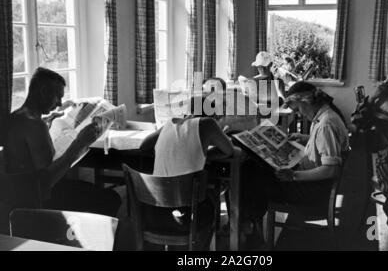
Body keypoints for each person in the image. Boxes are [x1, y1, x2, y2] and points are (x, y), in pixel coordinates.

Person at [241, 82, 349, 248]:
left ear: (305, 101)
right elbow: (324, 145)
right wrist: (306, 138)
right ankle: (249, 224)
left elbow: (331, 170)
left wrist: (293, 176)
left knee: (250, 175)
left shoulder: (326, 124)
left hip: (313, 190)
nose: (300, 115)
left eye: (298, 110)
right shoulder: (325, 115)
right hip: (312, 182)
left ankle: (248, 227)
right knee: (254, 168)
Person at [3, 67, 121, 217]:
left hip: (17, 195)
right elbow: (47, 181)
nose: (59, 103)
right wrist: (80, 143)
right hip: (38, 199)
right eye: (57, 96)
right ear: (44, 91)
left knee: (88, 189)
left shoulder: (16, 117)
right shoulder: (35, 125)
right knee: (110, 199)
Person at [138, 96, 234, 248]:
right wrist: (205, 154)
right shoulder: (207, 123)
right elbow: (228, 150)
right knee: (211, 197)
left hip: (154, 214)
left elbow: (144, 145)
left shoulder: (171, 123)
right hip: (186, 217)